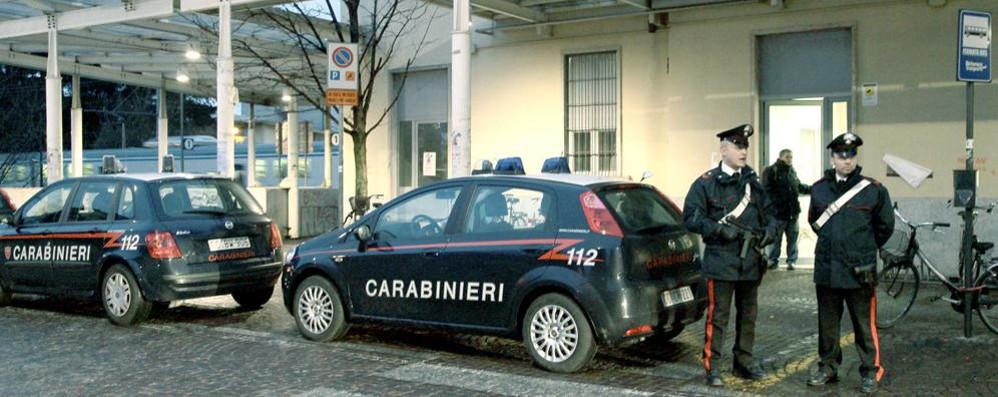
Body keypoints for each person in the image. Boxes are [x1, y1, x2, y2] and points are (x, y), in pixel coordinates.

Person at [683, 124, 778, 387]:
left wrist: (770, 231)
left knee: (748, 315)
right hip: (721, 260)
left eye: (745, 146)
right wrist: (718, 230)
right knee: (719, 317)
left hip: (750, 261)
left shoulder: (753, 184)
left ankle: (743, 363)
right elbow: (690, 218)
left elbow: (771, 214)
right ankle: (712, 367)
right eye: (738, 146)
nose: (743, 151)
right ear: (724, 149)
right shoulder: (706, 184)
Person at [806, 132, 893, 394]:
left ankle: (870, 371)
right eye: (842, 156)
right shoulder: (819, 188)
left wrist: (863, 248)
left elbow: (885, 226)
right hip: (828, 269)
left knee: (864, 325)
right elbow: (814, 220)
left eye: (851, 155)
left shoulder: (874, 190)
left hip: (859, 270)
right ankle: (828, 367)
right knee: (827, 325)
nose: (847, 160)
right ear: (832, 158)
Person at [761, 149, 811, 270]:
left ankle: (791, 261)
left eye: (791, 157)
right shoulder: (771, 171)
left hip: (792, 213)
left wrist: (813, 189)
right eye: (787, 157)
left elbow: (797, 186)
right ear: (781, 157)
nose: (790, 159)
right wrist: (773, 207)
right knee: (775, 241)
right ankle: (773, 261)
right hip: (778, 214)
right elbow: (766, 191)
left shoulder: (791, 171)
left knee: (792, 240)